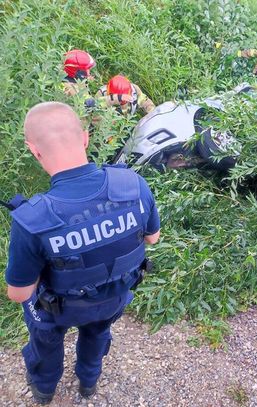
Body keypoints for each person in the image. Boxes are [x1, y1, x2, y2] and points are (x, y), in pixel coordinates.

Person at [5, 102, 160, 404]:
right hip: (113, 299)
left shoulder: (33, 219)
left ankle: (44, 389)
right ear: (85, 137)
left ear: (33, 150)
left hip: (57, 309)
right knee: (97, 332)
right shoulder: (133, 184)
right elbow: (153, 237)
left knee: (45, 337)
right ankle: (88, 382)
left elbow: (19, 293)